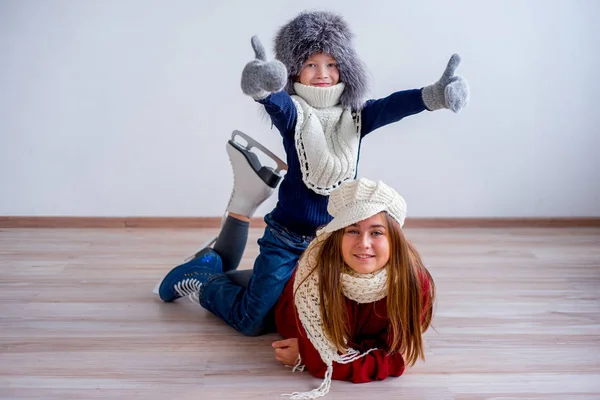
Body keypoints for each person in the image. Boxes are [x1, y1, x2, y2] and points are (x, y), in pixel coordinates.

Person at [153, 10, 464, 337]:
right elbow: (277, 104)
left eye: (331, 64)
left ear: (344, 67)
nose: (323, 73)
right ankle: (202, 280)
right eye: (311, 64)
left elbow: (393, 106)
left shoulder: (355, 116)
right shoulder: (295, 114)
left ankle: (240, 278)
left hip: (334, 240)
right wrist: (262, 88)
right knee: (253, 321)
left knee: (308, 312)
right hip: (287, 239)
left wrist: (434, 95)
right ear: (294, 71)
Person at [273, 177, 435, 399]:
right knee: (249, 318)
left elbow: (395, 352)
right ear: (338, 236)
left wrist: (310, 355)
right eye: (353, 230)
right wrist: (316, 357)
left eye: (376, 232)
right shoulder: (315, 277)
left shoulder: (414, 282)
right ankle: (212, 278)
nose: (364, 243)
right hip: (284, 298)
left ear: (394, 240)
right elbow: (327, 363)